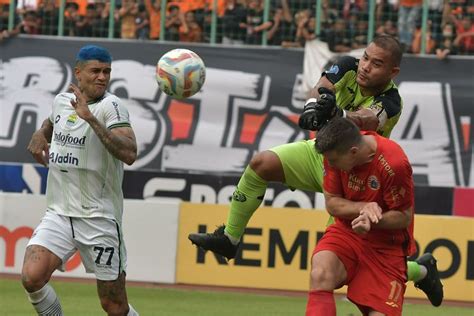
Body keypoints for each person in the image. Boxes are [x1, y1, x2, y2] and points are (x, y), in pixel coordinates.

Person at [188, 34, 443, 307]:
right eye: (366, 58)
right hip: (325, 155)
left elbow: (366, 118)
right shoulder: (348, 65)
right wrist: (314, 106)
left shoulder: (392, 101)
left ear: (393, 72)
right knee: (261, 164)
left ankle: (422, 270)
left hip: (357, 173)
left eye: (376, 63)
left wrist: (337, 115)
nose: (366, 66)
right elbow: (321, 88)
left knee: (359, 256)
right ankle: (230, 238)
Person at [21, 45, 139, 316]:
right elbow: (51, 122)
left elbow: (130, 153)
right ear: (78, 73)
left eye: (107, 71)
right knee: (31, 276)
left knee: (114, 306)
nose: (102, 77)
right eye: (95, 71)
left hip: (99, 219)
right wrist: (41, 133)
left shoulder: (112, 107)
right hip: (60, 214)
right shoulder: (62, 100)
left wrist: (92, 120)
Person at [307, 117, 414, 315]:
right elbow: (332, 203)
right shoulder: (335, 151)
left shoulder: (394, 163)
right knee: (321, 272)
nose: (330, 165)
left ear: (353, 152)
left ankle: (420, 271)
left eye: (334, 161)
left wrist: (373, 220)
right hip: (346, 232)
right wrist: (363, 207)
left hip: (386, 247)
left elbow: (404, 216)